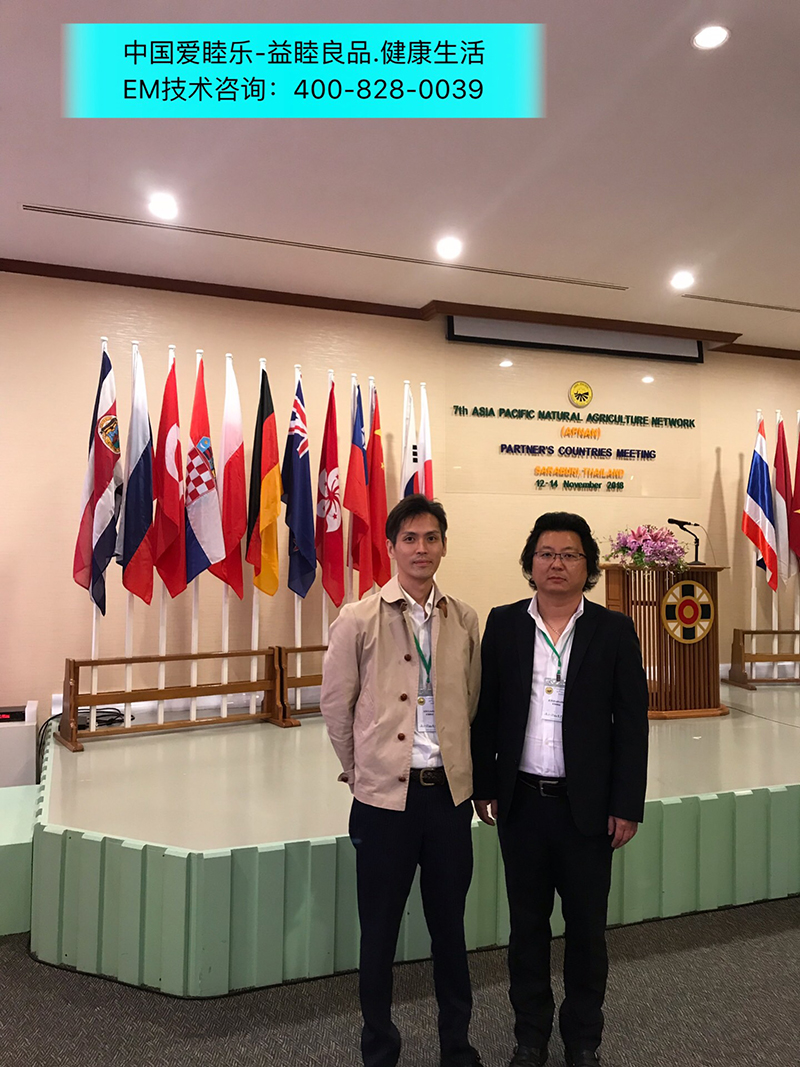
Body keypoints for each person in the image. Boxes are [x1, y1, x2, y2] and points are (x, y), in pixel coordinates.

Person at [471, 512, 649, 1067]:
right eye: (546, 553)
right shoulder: (503, 624)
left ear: (588, 566)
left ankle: (583, 1041)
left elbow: (632, 724)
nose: (556, 564)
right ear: (530, 563)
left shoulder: (614, 630)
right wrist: (484, 785)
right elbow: (486, 711)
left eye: (570, 554)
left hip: (587, 811)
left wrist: (626, 804)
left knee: (587, 932)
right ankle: (530, 1037)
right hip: (522, 804)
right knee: (526, 929)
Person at [320, 494, 482, 1067]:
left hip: (447, 800)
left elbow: (472, 702)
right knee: (380, 931)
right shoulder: (358, 618)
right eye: (410, 539)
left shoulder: (464, 619)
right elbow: (336, 706)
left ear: (444, 546)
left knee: (450, 930)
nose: (421, 548)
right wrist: (361, 770)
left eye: (431, 538)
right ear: (391, 547)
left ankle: (456, 1046)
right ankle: (379, 1049)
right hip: (384, 802)